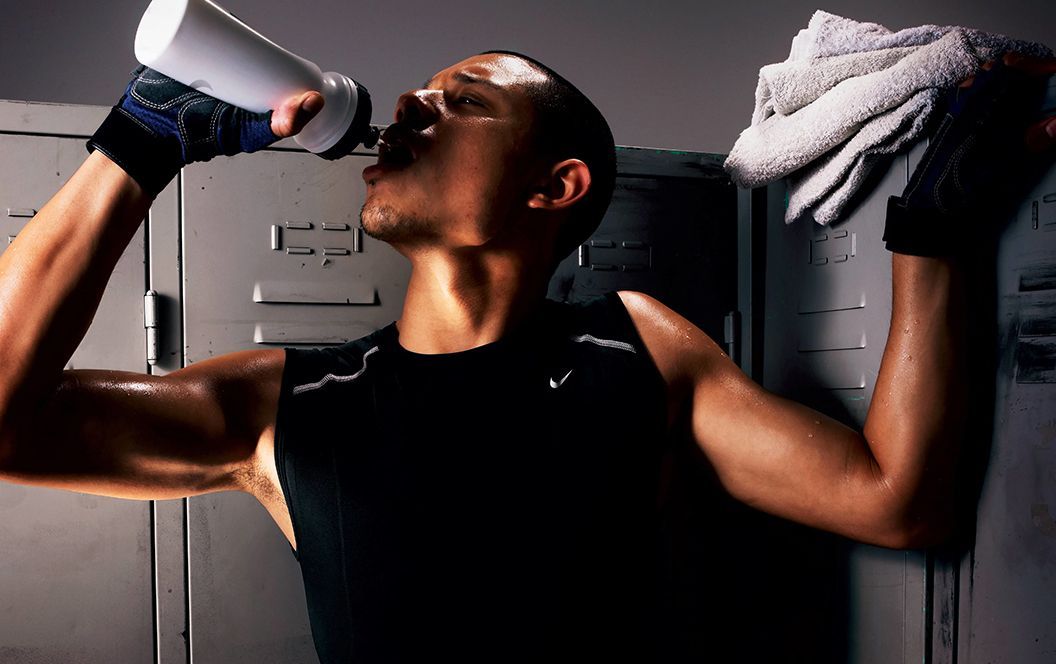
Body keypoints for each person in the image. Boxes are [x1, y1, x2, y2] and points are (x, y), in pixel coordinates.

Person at [0, 50, 1053, 663]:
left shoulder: (636, 350)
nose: (409, 107)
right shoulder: (288, 400)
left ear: (554, 188)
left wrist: (931, 235)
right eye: (421, 95)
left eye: (463, 101)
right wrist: (135, 149)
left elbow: (894, 497)